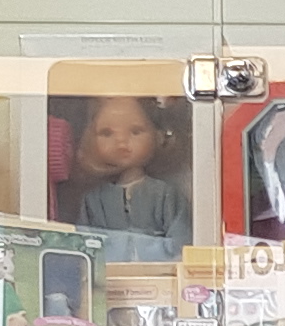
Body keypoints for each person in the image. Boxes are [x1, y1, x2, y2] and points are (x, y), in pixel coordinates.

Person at [63, 95, 191, 259]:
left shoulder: (165, 194)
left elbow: (181, 241)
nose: (121, 141)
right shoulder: (93, 200)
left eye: (135, 131)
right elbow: (84, 245)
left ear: (158, 135)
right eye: (107, 133)